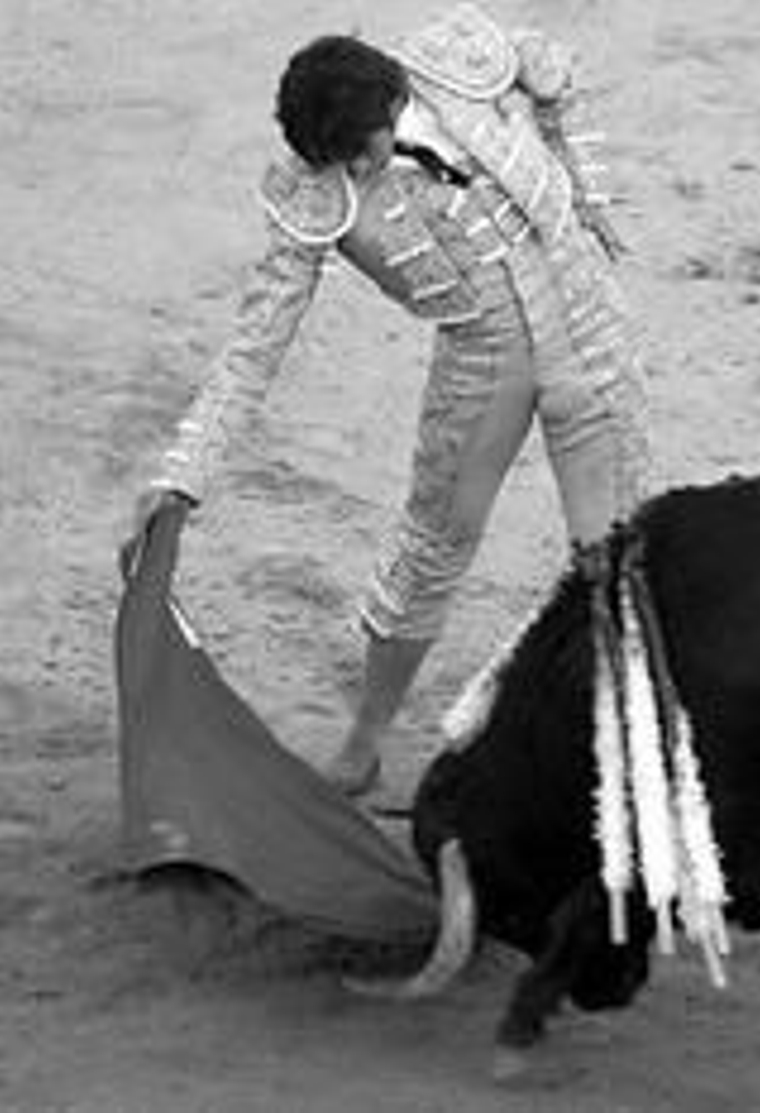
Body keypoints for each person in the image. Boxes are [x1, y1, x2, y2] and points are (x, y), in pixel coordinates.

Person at [128, 3, 651, 795]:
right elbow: (254, 347)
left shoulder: (456, 60)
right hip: (485, 362)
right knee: (430, 550)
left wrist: (583, 191)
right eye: (335, 159)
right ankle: (364, 742)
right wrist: (184, 472)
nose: (355, 171)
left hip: (588, 325)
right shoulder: (314, 191)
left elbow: (551, 77)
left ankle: (621, 746)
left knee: (612, 549)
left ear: (393, 104)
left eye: (358, 151)